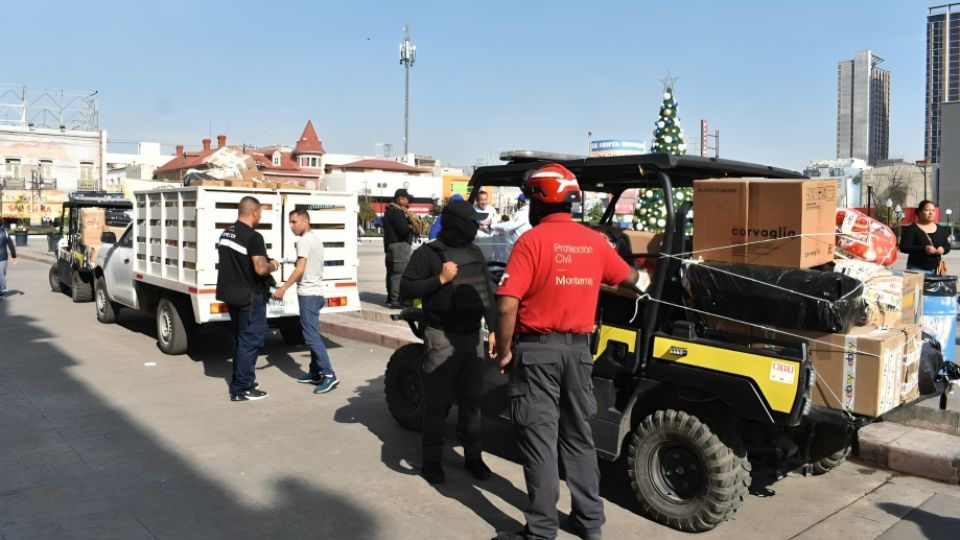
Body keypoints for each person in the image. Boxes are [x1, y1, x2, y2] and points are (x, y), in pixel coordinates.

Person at [493, 163, 642, 540]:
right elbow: (633, 280)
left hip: (537, 353)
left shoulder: (531, 242)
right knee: (578, 437)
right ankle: (590, 524)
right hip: (578, 353)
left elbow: (507, 304)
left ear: (540, 202)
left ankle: (541, 530)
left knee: (539, 439)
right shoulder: (594, 241)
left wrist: (504, 351)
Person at [399, 200, 499, 485]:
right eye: (471, 222)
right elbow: (405, 288)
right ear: (456, 223)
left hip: (471, 337)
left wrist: (492, 329)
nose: (476, 226)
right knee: (438, 403)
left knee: (471, 402)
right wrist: (440, 279)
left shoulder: (475, 252)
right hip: (441, 336)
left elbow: (486, 294)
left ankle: (473, 458)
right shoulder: (428, 254)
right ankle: (431, 462)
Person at [217, 196, 279, 402]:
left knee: (240, 340)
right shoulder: (253, 237)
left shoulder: (226, 233)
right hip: (249, 297)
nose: (260, 216)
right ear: (254, 212)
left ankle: (242, 380)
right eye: (260, 212)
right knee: (250, 341)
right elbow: (260, 268)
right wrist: (273, 264)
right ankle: (242, 388)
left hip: (232, 295)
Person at [272, 209, 339, 394]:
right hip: (315, 293)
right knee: (312, 334)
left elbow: (300, 269)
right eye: (290, 223)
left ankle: (328, 374)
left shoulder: (303, 240)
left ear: (306, 221)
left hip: (309, 294)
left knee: (310, 336)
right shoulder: (314, 238)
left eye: (294, 222)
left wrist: (283, 288)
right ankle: (315, 372)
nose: (292, 226)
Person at [899, 199, 952, 274]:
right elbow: (903, 247)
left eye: (933, 210)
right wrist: (924, 248)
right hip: (916, 269)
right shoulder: (912, 228)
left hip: (936, 270)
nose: (931, 213)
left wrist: (943, 249)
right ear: (920, 212)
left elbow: (947, 246)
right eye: (927, 210)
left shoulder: (940, 229)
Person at [383, 188, 414, 309]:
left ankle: (390, 297)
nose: (408, 201)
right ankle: (396, 300)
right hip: (399, 247)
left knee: (391, 273)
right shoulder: (396, 212)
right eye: (406, 199)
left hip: (391, 246)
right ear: (400, 199)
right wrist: (412, 227)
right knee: (399, 274)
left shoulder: (389, 211)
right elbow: (403, 230)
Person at [0, 226, 16, 298]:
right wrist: (13, 256)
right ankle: (2, 290)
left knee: (2, 274)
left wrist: (13, 256)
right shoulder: (5, 233)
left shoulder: (5, 233)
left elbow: (11, 245)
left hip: (3, 257)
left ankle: (1, 291)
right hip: (3, 257)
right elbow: (11, 245)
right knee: (1, 274)